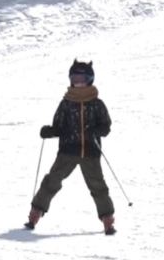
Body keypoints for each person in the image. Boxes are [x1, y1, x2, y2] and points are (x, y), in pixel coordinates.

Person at [28, 60, 116, 235]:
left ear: (90, 79)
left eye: (82, 78)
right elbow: (59, 127)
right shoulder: (66, 104)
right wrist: (49, 131)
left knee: (98, 186)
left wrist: (96, 130)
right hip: (67, 151)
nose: (78, 82)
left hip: (90, 152)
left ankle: (107, 220)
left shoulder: (97, 104)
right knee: (52, 181)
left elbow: (106, 127)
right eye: (75, 78)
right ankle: (35, 213)